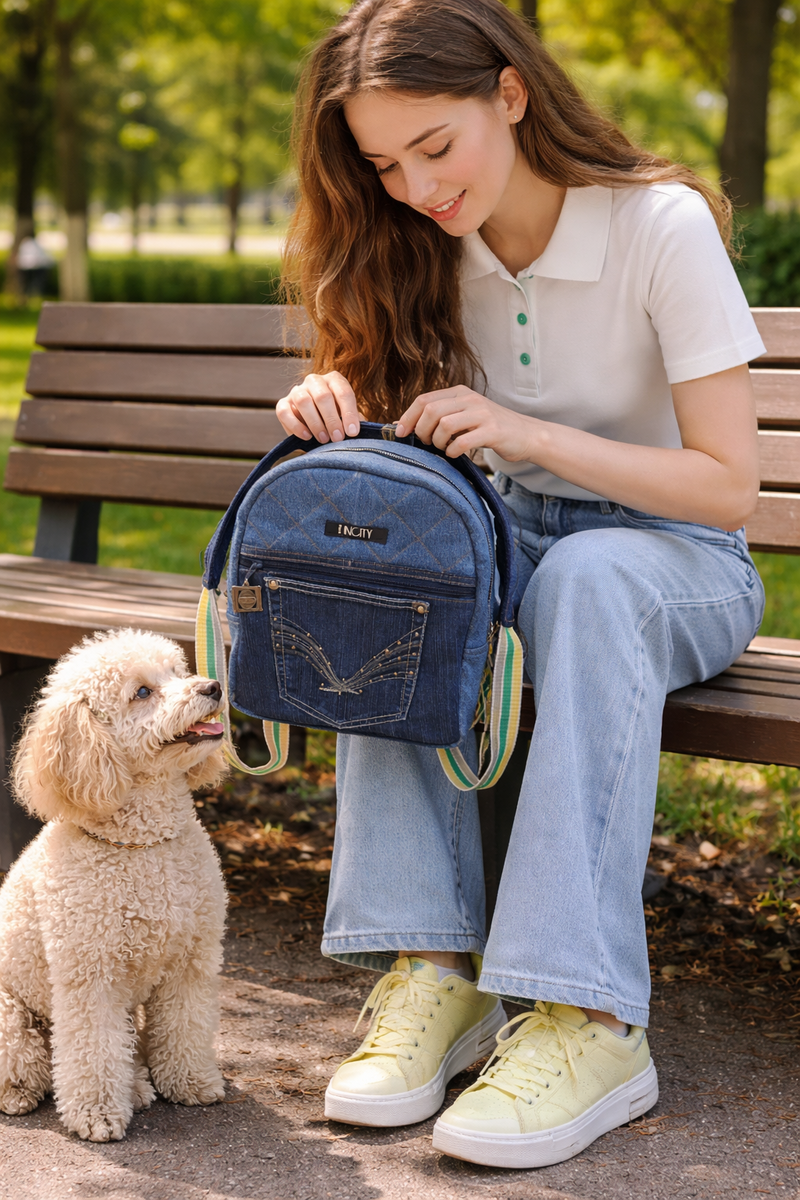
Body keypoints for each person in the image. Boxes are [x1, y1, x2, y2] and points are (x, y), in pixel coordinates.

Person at [275, 0, 766, 1170]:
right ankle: (433, 975)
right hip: (510, 544)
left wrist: (529, 437)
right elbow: (407, 460)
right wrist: (323, 409)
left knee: (587, 576)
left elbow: (726, 488)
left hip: (674, 559)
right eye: (384, 165)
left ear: (509, 92)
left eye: (433, 146)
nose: (415, 187)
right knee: (400, 567)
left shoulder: (656, 225)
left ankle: (588, 1019)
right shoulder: (415, 243)